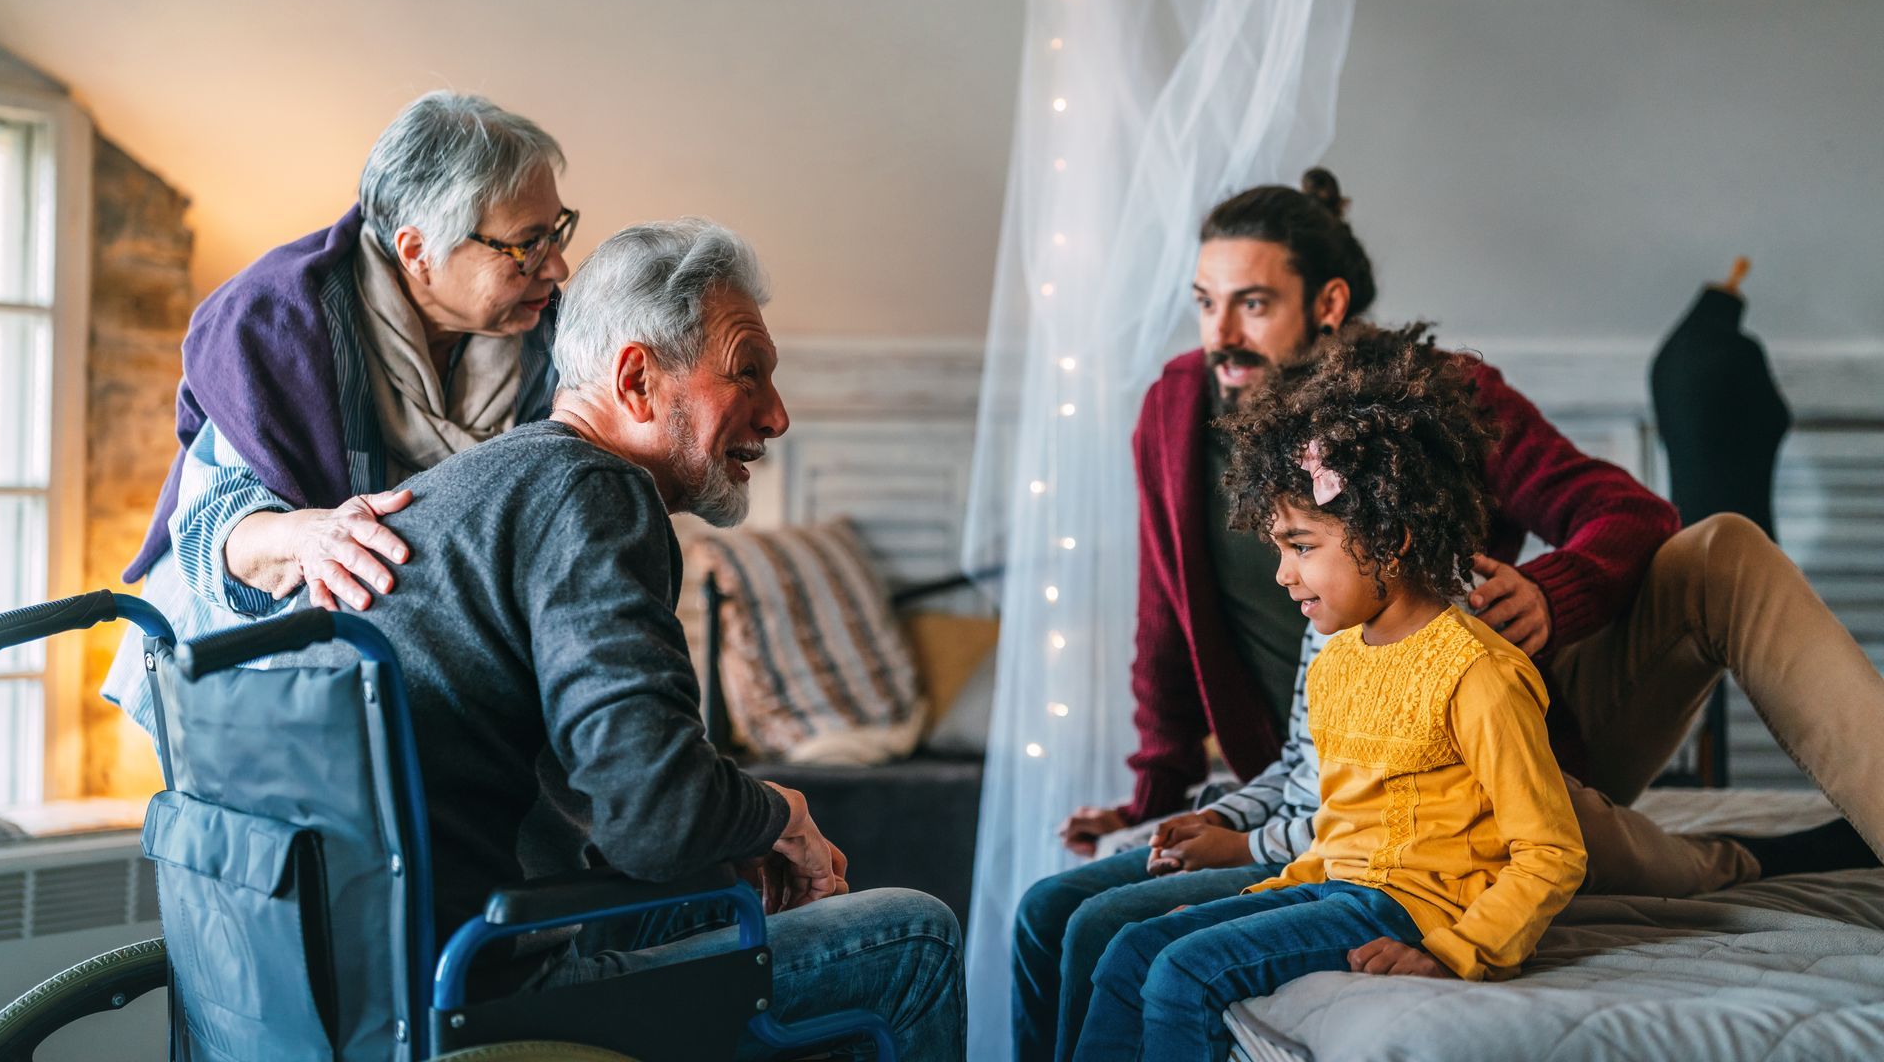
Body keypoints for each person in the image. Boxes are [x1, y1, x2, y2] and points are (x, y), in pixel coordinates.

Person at [1015, 169, 1884, 1062]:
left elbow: (1627, 513)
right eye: (1205, 304)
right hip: (1329, 781)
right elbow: (1166, 621)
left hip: (1471, 746)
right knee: (1061, 913)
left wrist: (1555, 589)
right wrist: (1152, 800)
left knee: (1721, 551)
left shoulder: (1432, 400)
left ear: (1329, 303)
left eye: (1253, 305)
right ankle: (1757, 852)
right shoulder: (1178, 410)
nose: (1221, 338)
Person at [286, 219, 966, 1057]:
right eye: (746, 373)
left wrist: (737, 837)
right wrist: (776, 810)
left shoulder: (483, 483)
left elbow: (623, 792)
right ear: (639, 379)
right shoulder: (597, 494)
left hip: (364, 983)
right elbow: (659, 815)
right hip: (474, 991)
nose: (778, 416)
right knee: (914, 937)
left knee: (724, 887)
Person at [1071, 324, 1587, 1062]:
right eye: (1279, 548)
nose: (1284, 575)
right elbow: (1339, 834)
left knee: (1184, 971)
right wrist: (1252, 906)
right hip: (1329, 889)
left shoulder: (1480, 673)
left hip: (1410, 908)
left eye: (1302, 547)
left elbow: (1551, 851)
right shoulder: (1336, 661)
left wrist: (1462, 948)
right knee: (1132, 946)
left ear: (1393, 536)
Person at [102, 91, 576, 733]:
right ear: (416, 252)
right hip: (243, 672)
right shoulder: (278, 322)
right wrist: (309, 536)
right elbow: (213, 529)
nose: (556, 264)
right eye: (525, 243)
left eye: (556, 231)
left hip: (410, 678)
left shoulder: (548, 337)